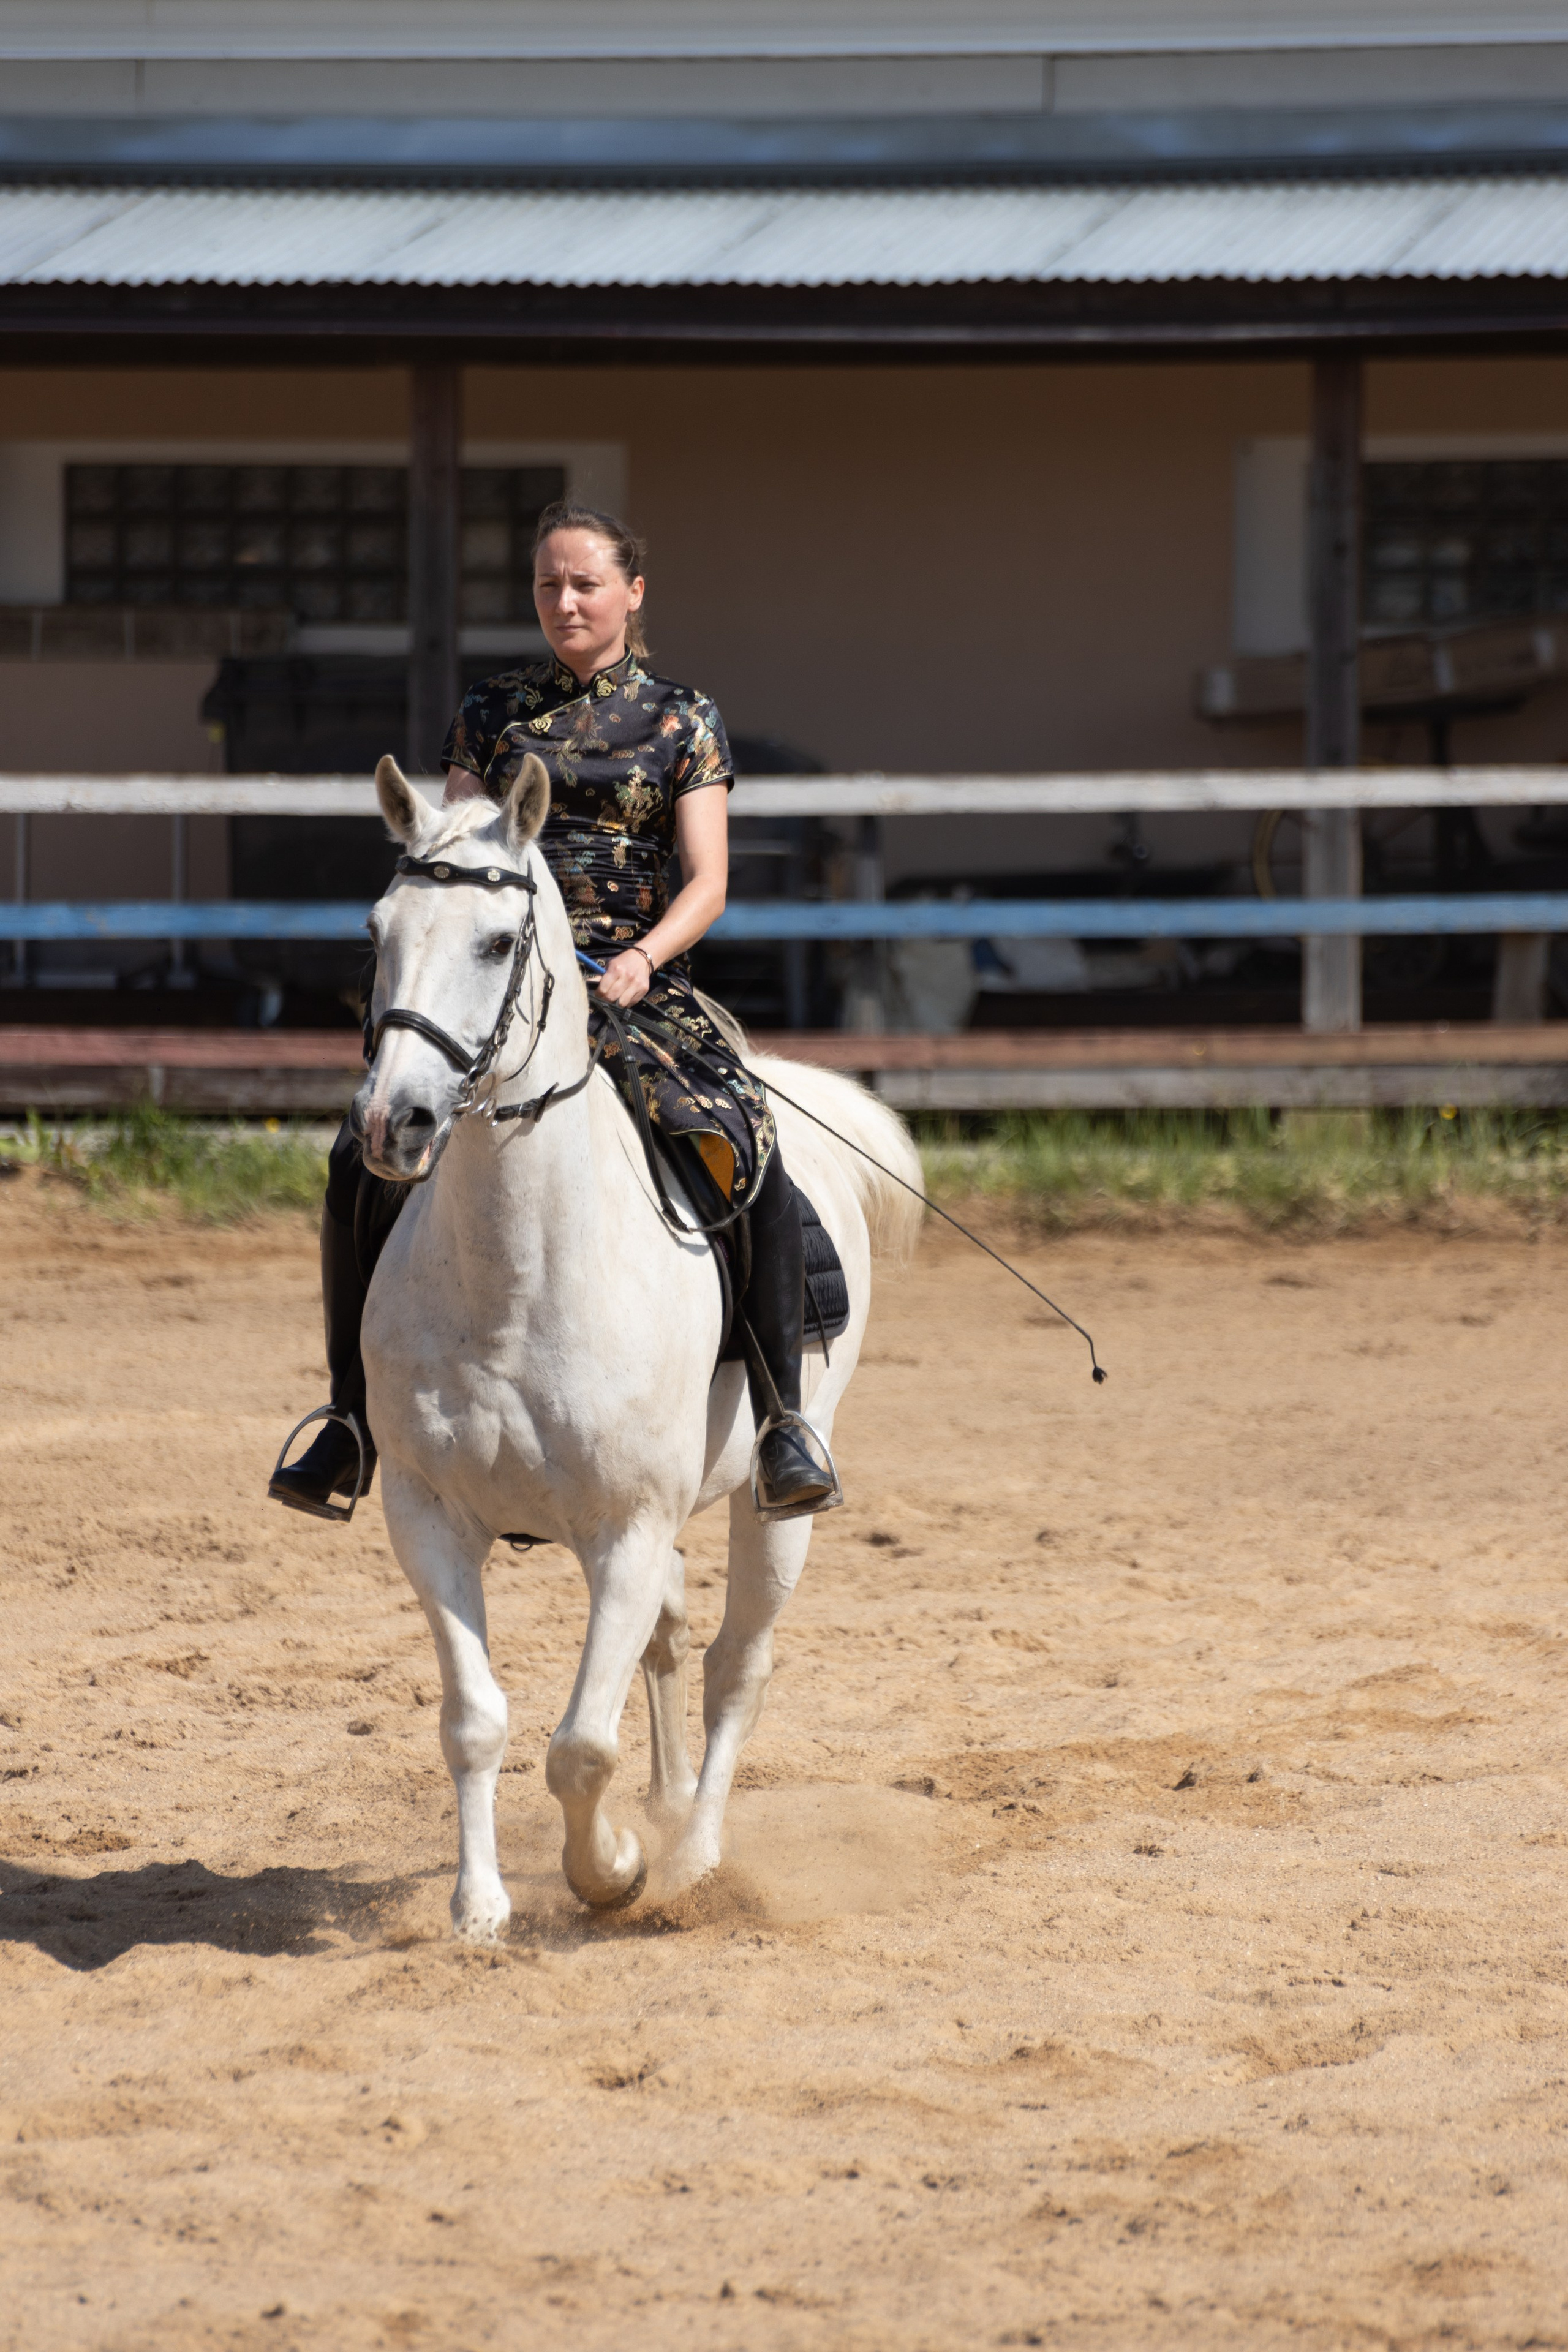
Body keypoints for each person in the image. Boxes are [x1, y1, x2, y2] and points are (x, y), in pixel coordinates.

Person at [269, 499, 839, 1524]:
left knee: (741, 1133)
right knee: (361, 1154)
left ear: (632, 592)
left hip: (634, 984)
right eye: (548, 585)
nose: (565, 601)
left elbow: (709, 882)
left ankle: (782, 1419)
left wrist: (643, 959)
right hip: (496, 991)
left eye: (585, 583)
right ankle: (350, 1420)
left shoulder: (683, 718)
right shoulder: (493, 711)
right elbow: (446, 851)